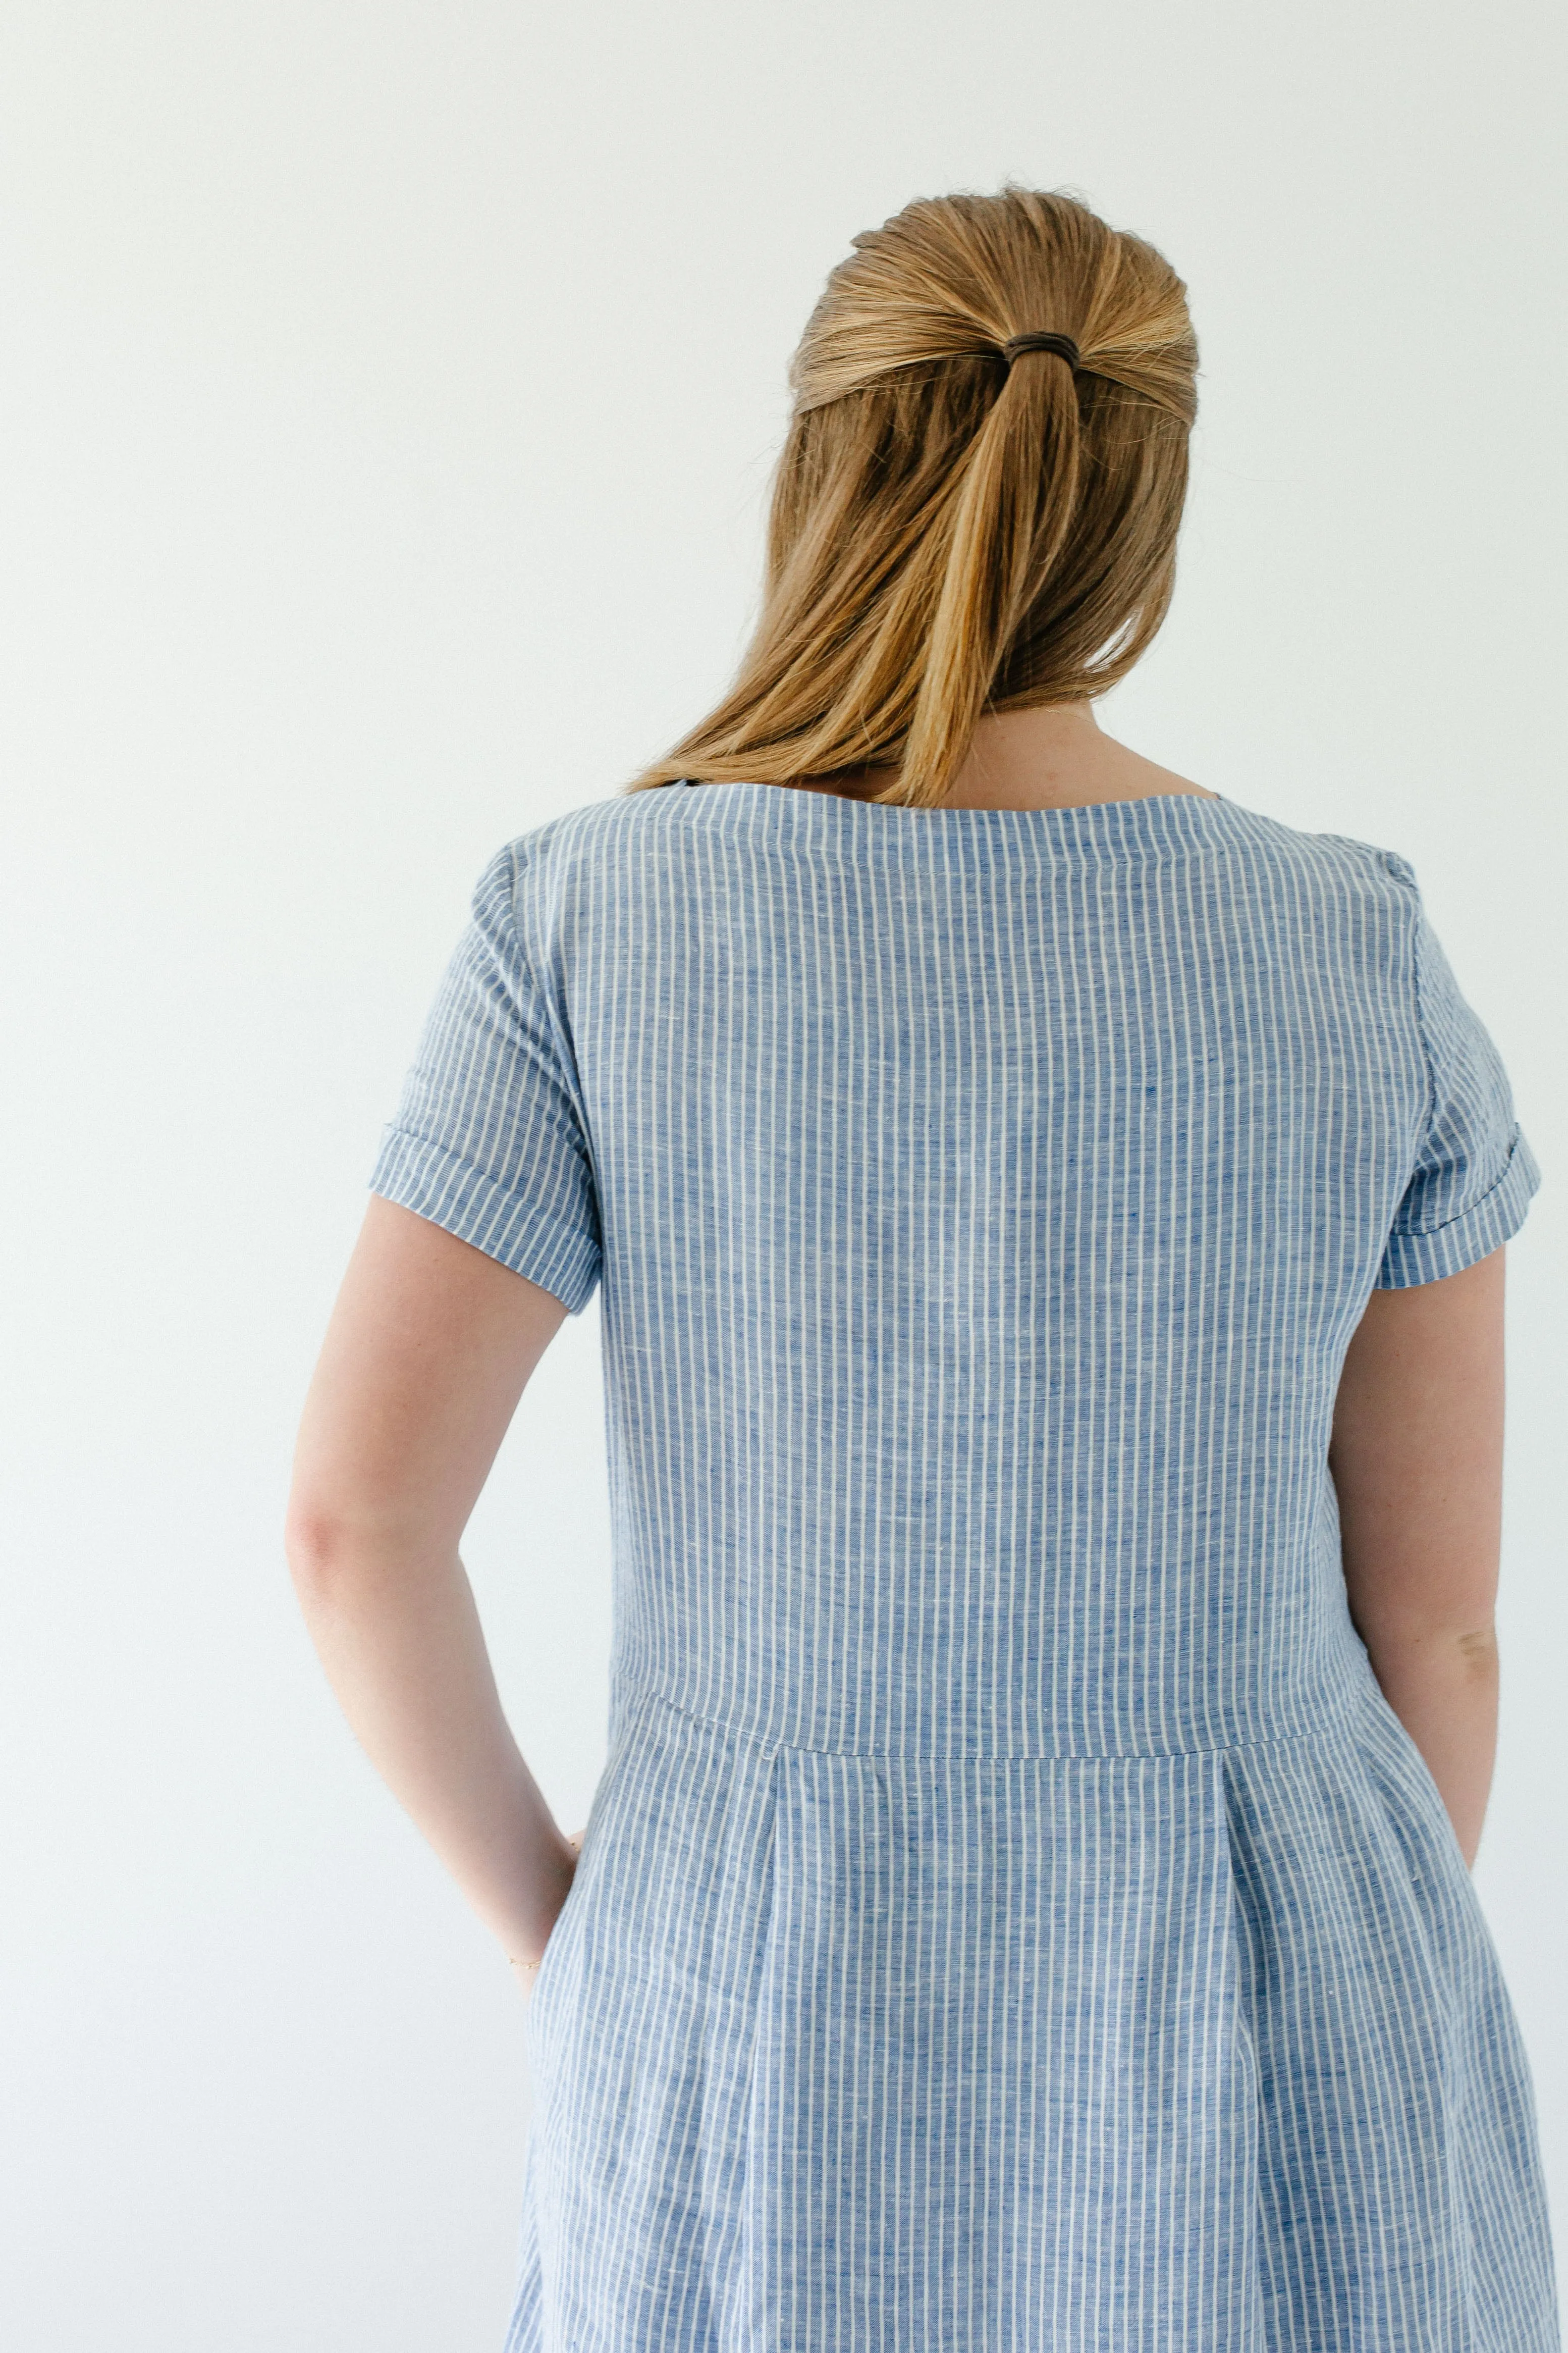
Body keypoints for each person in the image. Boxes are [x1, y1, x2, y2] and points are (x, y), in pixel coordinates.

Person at [285, 186, 1558, 2351]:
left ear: (819, 473)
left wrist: (567, 1933)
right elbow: (1431, 1623)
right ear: (1140, 520)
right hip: (1272, 1979)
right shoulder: (1350, 944)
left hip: (745, 1996)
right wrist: (1312, 1971)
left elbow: (351, 1528)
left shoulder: (587, 920)